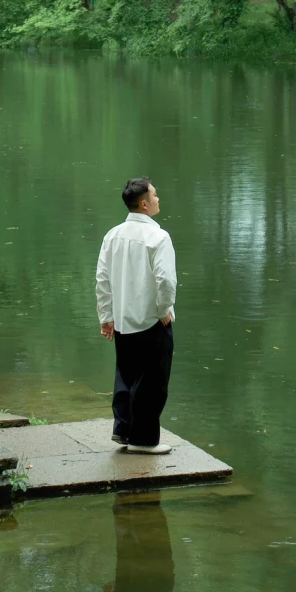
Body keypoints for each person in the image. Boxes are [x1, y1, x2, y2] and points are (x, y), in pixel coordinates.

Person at [96, 177, 177, 455]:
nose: (158, 199)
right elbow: (166, 281)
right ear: (144, 204)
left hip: (122, 319)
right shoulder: (158, 237)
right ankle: (143, 441)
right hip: (151, 319)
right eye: (155, 195)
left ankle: (124, 430)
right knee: (153, 381)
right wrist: (164, 310)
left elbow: (102, 280)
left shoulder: (112, 235)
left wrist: (107, 316)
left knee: (127, 375)